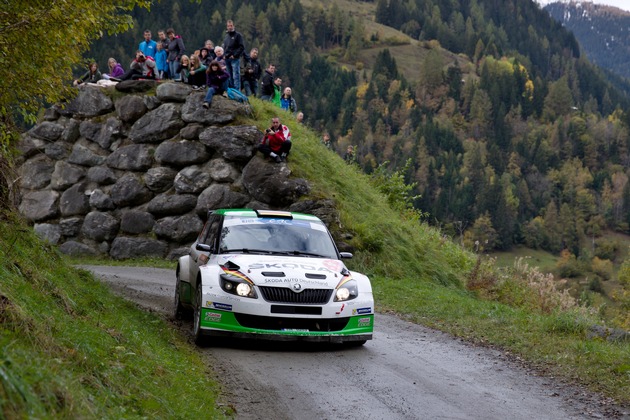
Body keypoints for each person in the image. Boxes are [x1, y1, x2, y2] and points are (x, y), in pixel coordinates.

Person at [222, 20, 245, 90]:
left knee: (236, 75)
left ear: (233, 26)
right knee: (229, 75)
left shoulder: (238, 35)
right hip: (227, 58)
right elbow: (225, 47)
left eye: (231, 26)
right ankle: (232, 89)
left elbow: (241, 47)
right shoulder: (226, 36)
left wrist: (235, 55)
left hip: (234, 58)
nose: (229, 27)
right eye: (228, 26)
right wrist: (224, 55)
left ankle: (237, 90)